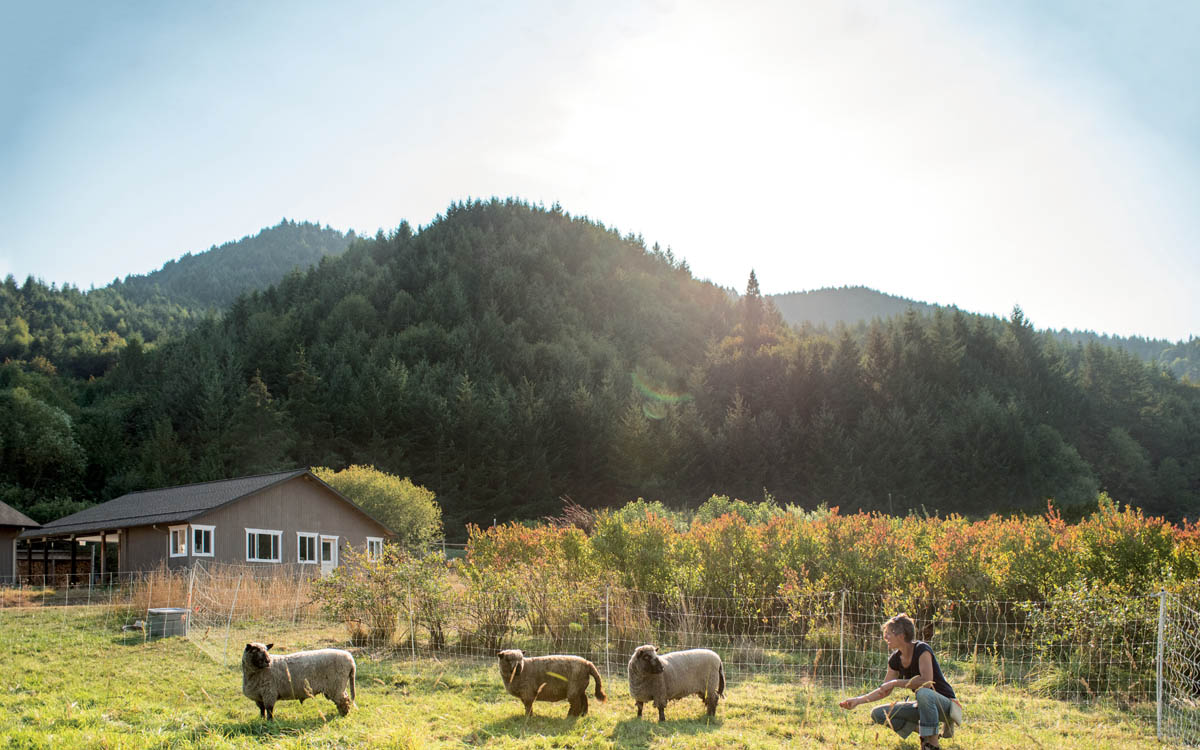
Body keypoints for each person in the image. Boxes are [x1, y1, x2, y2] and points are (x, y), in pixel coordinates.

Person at [837, 613, 964, 749]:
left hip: (945, 705)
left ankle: (931, 744)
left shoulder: (922, 650)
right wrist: (858, 700)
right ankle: (926, 731)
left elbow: (927, 681)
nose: (885, 637)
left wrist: (896, 682)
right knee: (878, 713)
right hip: (923, 705)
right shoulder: (895, 659)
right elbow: (884, 690)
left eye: (888, 634)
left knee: (923, 693)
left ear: (901, 636)